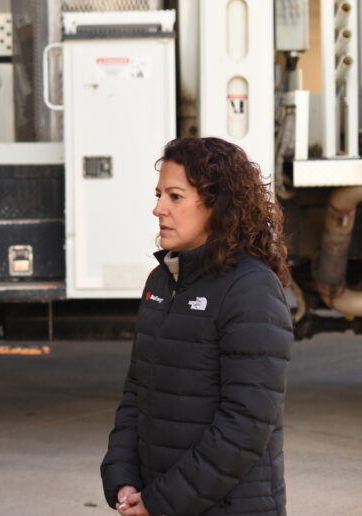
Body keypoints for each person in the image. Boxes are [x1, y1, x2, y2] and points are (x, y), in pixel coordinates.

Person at [101, 137, 294, 516]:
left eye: (175, 196)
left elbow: (246, 425)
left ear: (217, 204)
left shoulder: (251, 288)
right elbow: (136, 395)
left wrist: (160, 501)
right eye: (159, 195)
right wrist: (123, 477)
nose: (158, 209)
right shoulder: (161, 280)